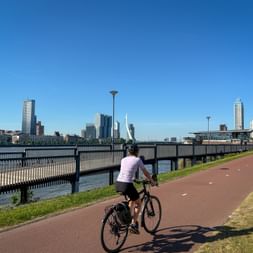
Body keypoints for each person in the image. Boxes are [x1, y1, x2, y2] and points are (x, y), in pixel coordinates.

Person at [115, 144, 156, 234]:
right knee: (139, 203)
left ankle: (127, 219)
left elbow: (126, 171)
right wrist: (152, 181)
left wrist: (133, 178)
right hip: (127, 185)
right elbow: (145, 172)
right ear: (137, 152)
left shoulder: (123, 159)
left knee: (132, 199)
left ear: (129, 152)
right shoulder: (138, 160)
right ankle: (133, 224)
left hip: (118, 183)